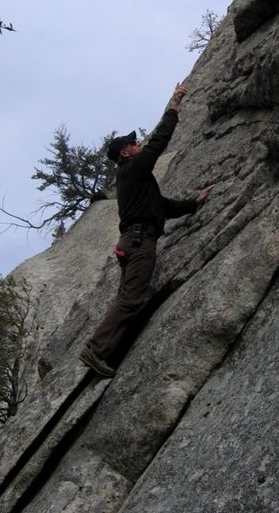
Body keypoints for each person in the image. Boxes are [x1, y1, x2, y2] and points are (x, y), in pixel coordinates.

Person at [80, 84, 212, 377]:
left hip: (132, 242)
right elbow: (158, 142)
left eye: (135, 141)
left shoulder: (134, 180)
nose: (138, 143)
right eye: (133, 143)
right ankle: (96, 349)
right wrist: (174, 105)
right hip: (139, 243)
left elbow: (162, 206)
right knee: (130, 299)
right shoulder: (132, 169)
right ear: (125, 153)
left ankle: (106, 350)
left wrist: (194, 203)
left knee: (128, 298)